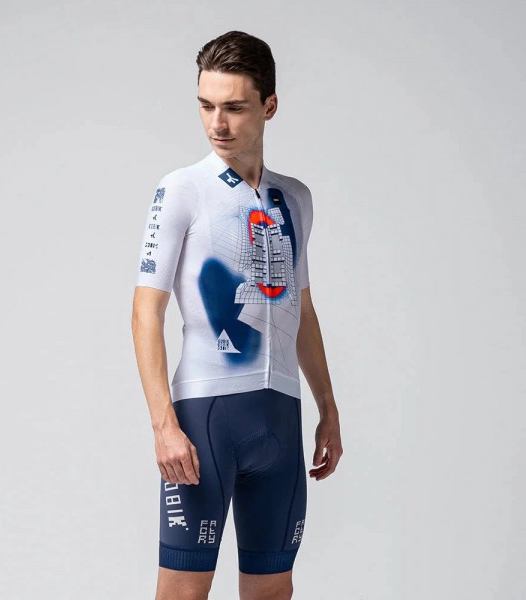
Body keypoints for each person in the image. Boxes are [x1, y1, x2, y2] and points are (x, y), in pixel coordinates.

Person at [132, 30, 343, 600]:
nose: (217, 124)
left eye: (234, 107)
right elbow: (145, 311)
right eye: (206, 106)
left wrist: (328, 408)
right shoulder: (183, 189)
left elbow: (301, 307)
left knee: (273, 591)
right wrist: (163, 425)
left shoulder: (295, 198)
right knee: (183, 591)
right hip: (206, 418)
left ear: (269, 106)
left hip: (281, 418)